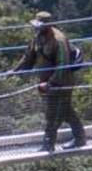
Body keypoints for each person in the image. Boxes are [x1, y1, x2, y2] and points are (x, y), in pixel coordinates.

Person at [10, 12, 85, 152]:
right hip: (47, 83)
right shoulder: (38, 37)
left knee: (52, 113)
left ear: (48, 26)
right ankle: (80, 139)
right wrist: (15, 71)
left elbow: (63, 65)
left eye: (39, 26)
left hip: (61, 83)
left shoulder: (58, 40)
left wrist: (49, 83)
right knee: (66, 111)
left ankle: (48, 144)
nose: (36, 28)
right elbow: (28, 57)